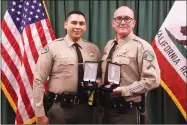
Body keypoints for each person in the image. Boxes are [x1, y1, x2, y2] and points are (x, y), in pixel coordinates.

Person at [33, 10, 100, 124]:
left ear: (85, 26)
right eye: (74, 23)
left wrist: (98, 81)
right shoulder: (52, 48)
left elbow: (98, 76)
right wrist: (39, 113)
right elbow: (38, 80)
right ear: (65, 24)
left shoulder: (93, 49)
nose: (78, 27)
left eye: (81, 23)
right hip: (60, 110)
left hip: (86, 109)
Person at [99, 6, 161, 124]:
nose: (122, 22)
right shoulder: (109, 45)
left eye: (127, 19)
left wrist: (124, 90)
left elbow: (153, 80)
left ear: (133, 23)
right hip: (107, 111)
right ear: (113, 23)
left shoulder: (142, 47)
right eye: (119, 19)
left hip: (129, 112)